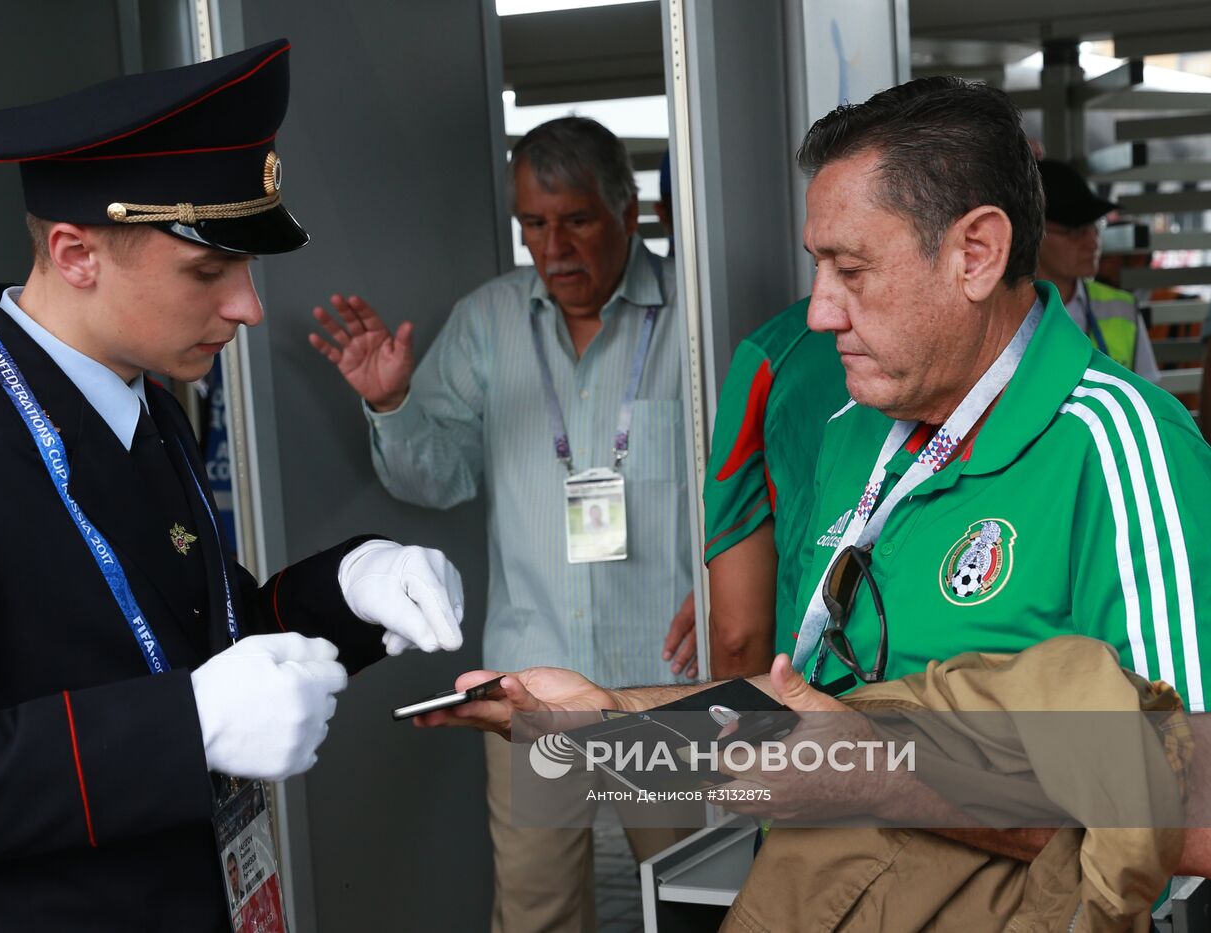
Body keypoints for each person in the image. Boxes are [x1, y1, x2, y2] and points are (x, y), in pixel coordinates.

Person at [422, 74, 1211, 908]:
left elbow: (1187, 813)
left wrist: (865, 770)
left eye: (852, 269)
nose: (820, 312)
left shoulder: (1116, 448)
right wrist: (609, 719)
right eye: (817, 267)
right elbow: (812, 714)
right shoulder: (854, 429)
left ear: (975, 253)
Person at [0, 39, 466, 932]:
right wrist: (180, 730)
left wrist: (351, 587)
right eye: (208, 270)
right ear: (77, 254)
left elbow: (181, 638)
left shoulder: (142, 401)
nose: (248, 306)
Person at [309, 116, 694, 932]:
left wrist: (727, 595)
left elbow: (753, 483)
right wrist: (390, 402)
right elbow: (436, 477)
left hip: (666, 684)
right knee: (537, 911)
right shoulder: (489, 320)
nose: (553, 247)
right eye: (533, 223)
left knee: (693, 900)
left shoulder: (695, 317)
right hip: (531, 682)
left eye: (577, 219)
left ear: (629, 212)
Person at [702, 297, 847, 677]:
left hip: (812, 693)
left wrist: (739, 733)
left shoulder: (775, 351)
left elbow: (738, 636)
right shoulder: (1008, 332)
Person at [1037, 159, 1160, 382]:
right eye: (1075, 230)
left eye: (1095, 226)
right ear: (1034, 233)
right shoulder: (1001, 312)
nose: (1092, 242)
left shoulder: (1124, 308)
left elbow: (1148, 401)